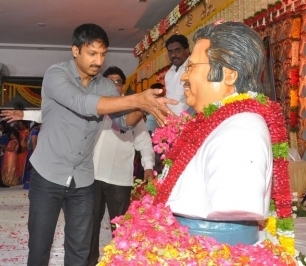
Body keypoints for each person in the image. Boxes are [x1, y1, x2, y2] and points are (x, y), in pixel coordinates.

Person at [1, 23, 176, 266]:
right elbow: (82, 103)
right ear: (75, 51)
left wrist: (141, 106)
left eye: (102, 54)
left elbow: (124, 122)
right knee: (40, 247)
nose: (98, 60)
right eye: (92, 53)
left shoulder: (105, 85)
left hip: (83, 179)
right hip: (48, 175)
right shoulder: (56, 74)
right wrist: (135, 98)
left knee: (80, 249)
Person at [162, 21, 273, 244]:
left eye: (191, 67)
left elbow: (233, 206)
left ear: (229, 74)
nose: (184, 77)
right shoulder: (215, 122)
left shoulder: (241, 131)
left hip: (210, 250)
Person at [88, 66, 155, 266]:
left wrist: (148, 167)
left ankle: (120, 262)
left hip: (119, 180)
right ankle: (90, 262)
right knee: (90, 226)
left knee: (121, 228)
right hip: (92, 177)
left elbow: (144, 143)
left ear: (123, 86)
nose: (113, 85)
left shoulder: (133, 112)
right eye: (109, 82)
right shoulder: (95, 108)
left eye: (117, 81)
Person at [164, 34, 190, 116]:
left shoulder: (193, 68)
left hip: (189, 121)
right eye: (170, 51)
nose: (173, 55)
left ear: (187, 50)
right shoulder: (168, 74)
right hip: (171, 122)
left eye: (177, 50)